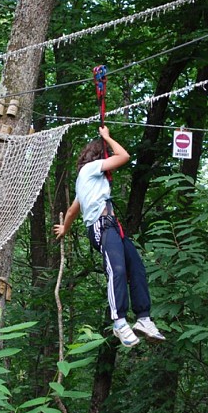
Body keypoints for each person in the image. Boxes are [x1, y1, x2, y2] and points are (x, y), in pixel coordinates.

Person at [53, 126, 165, 347]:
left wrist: (65, 228)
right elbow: (123, 156)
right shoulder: (91, 168)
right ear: (98, 157)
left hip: (112, 227)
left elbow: (73, 209)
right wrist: (107, 137)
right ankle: (119, 322)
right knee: (118, 270)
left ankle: (143, 318)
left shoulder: (84, 182)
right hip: (101, 227)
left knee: (137, 268)